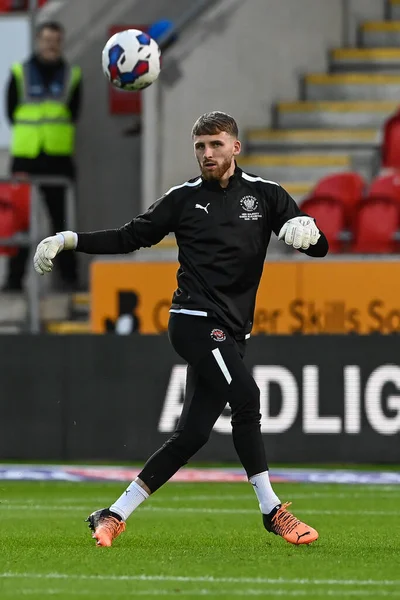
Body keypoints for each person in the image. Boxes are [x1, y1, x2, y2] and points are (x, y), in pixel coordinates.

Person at [33, 111, 328, 547]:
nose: (207, 154)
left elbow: (317, 247)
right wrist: (68, 239)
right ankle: (273, 510)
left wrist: (311, 232)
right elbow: (128, 237)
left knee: (191, 435)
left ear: (235, 147)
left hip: (231, 331)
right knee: (247, 396)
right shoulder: (184, 198)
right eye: (199, 147)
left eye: (215, 145)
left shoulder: (267, 196)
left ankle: (113, 514)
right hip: (192, 320)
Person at [4, 20, 82, 292]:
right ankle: (13, 281)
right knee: (19, 221)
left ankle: (68, 279)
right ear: (38, 41)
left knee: (62, 222)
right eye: (46, 40)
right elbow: (11, 111)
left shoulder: (72, 75)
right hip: (25, 157)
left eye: (55, 40)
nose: (51, 45)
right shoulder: (19, 72)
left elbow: (74, 113)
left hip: (58, 158)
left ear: (61, 42)